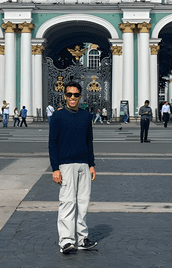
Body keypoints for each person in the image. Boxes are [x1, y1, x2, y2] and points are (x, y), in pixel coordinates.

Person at [49, 81, 97, 254]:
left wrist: (91, 164)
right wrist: (55, 168)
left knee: (83, 203)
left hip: (83, 164)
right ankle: (66, 240)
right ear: (64, 96)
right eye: (69, 95)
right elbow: (52, 143)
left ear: (80, 96)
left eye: (76, 95)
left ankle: (82, 238)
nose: (72, 98)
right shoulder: (57, 117)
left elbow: (89, 141)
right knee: (67, 202)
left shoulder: (86, 116)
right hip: (66, 165)